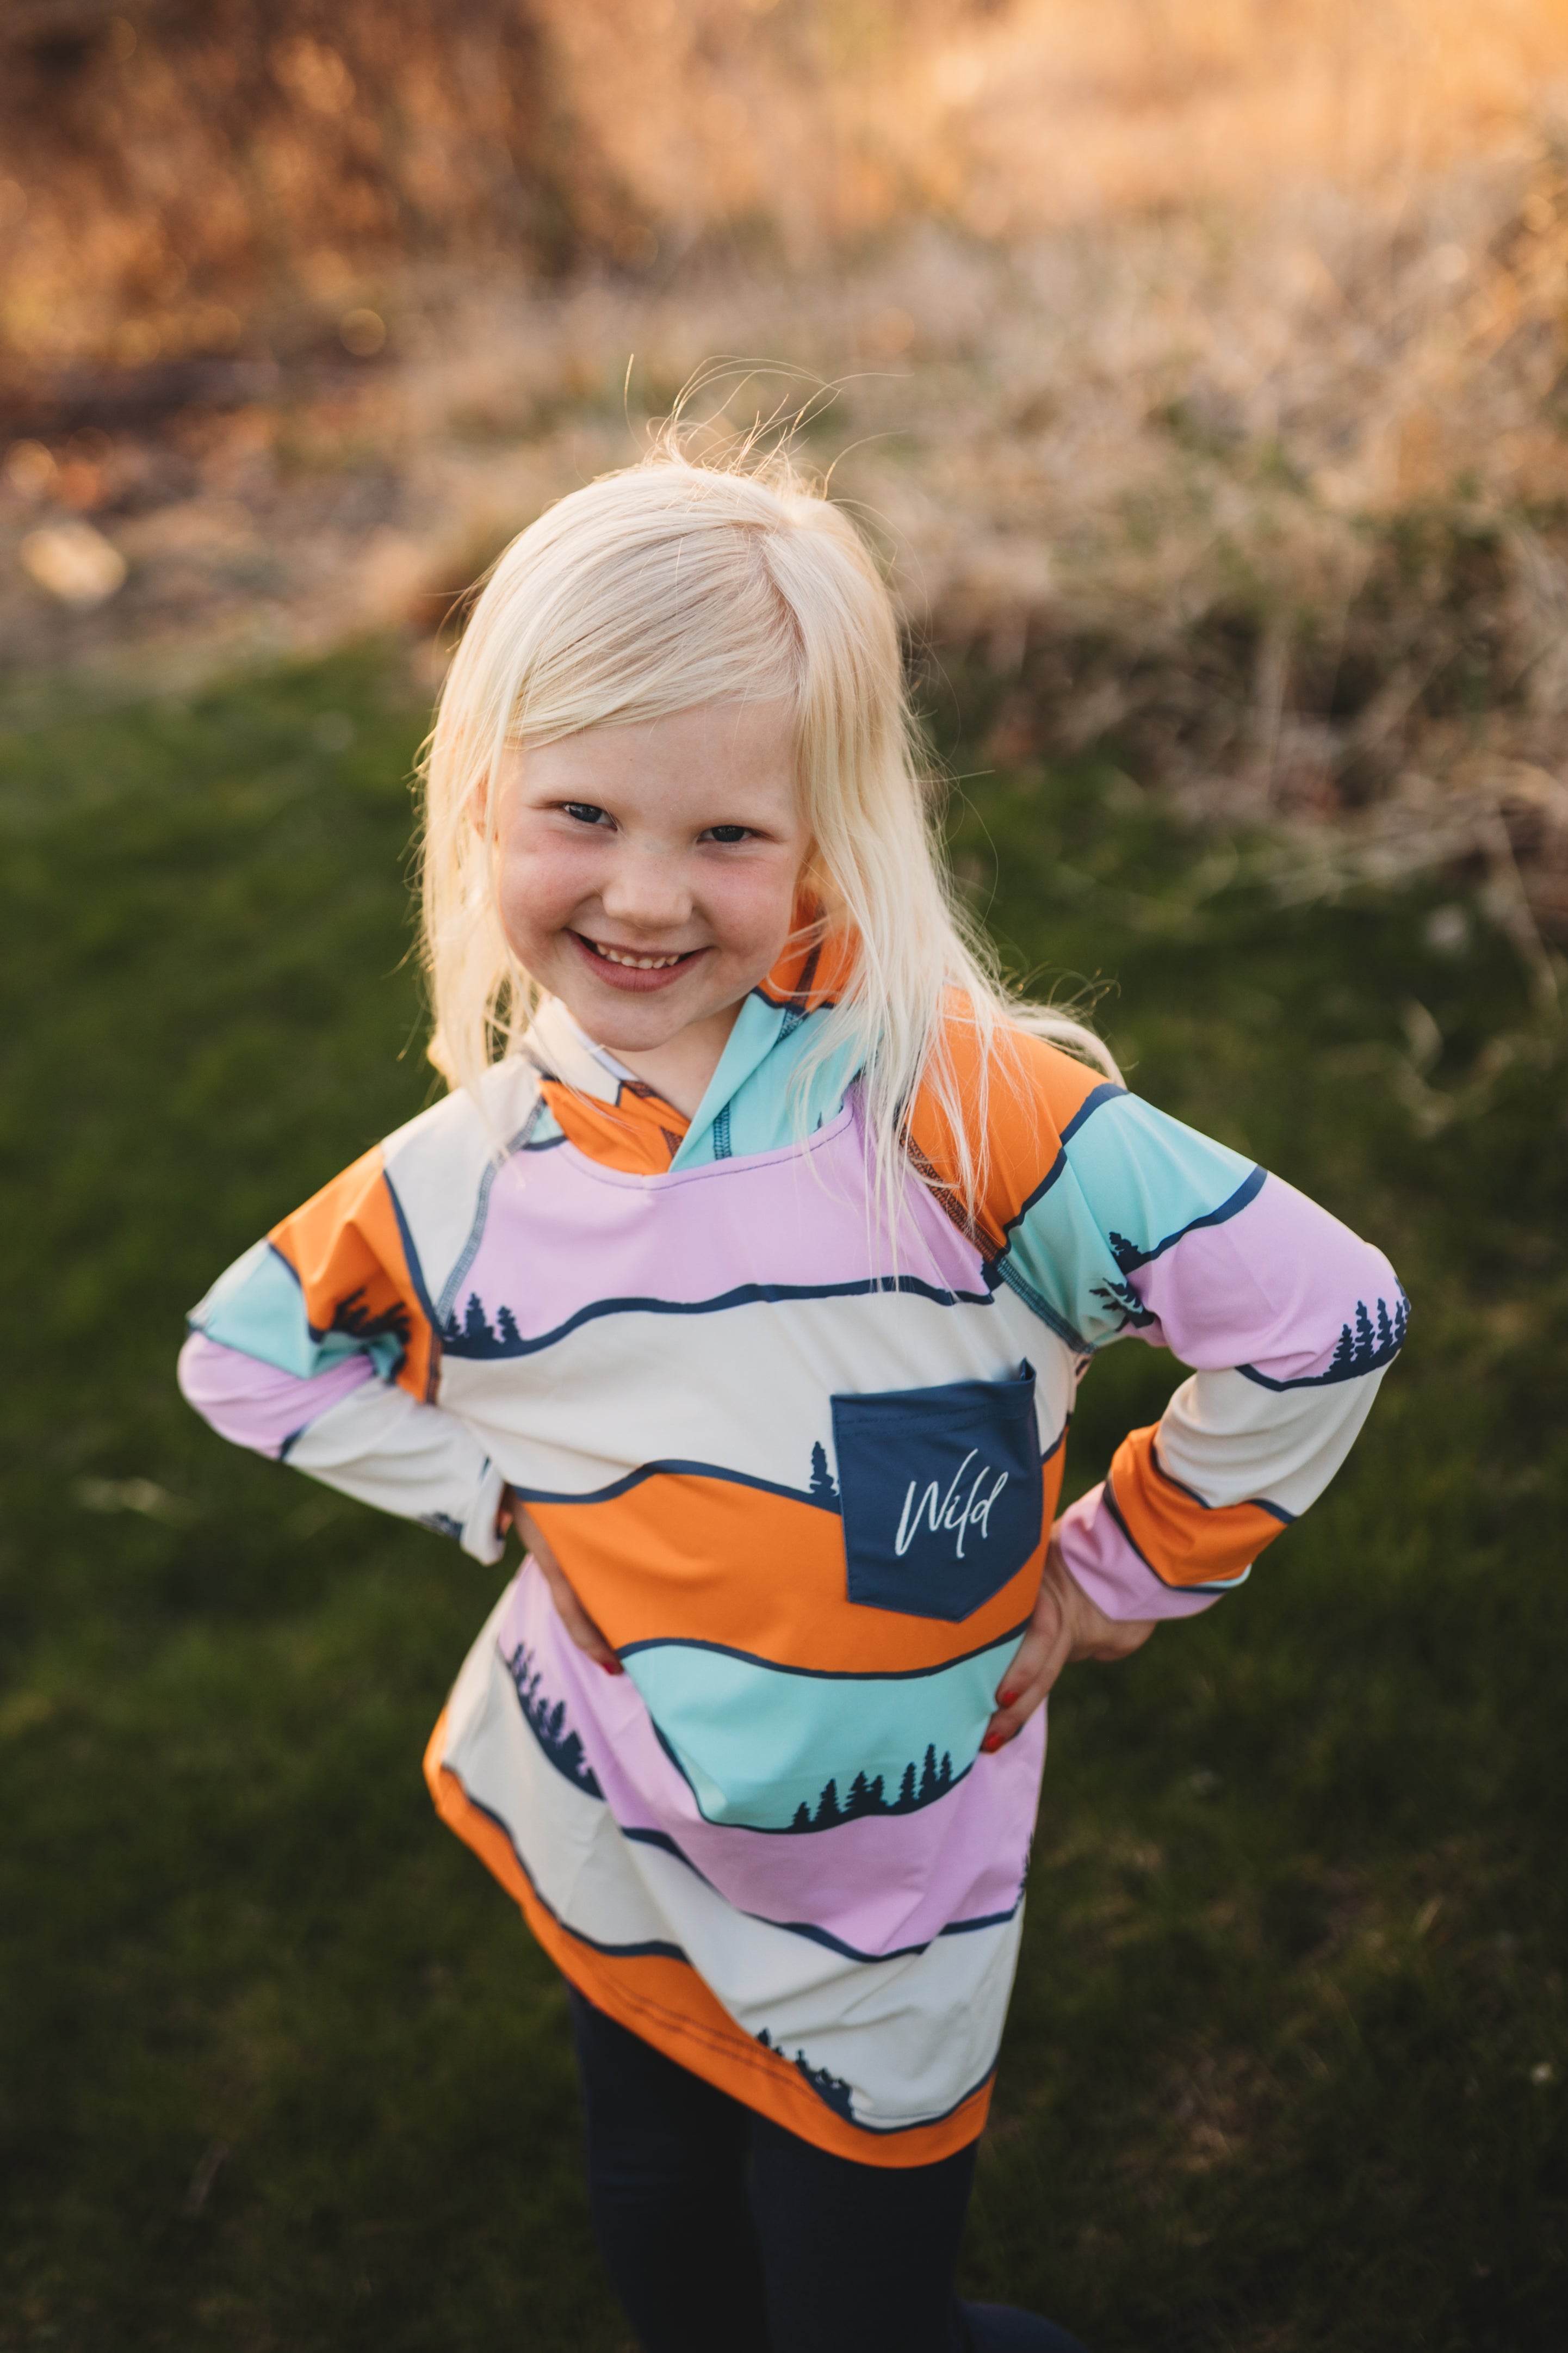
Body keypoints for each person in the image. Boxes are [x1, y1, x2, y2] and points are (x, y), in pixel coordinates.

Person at [178, 452, 1406, 2353]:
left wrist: (1111, 1575)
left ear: (833, 836)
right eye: (581, 811)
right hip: (610, 1821)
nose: (646, 898)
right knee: (672, 2279)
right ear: (481, 794)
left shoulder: (962, 1118)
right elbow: (248, 1354)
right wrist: (505, 1503)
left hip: (881, 1910)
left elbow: (1323, 1316)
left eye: (729, 837)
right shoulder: (468, 1173)